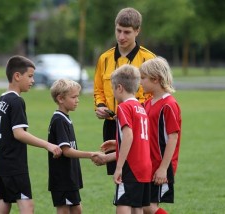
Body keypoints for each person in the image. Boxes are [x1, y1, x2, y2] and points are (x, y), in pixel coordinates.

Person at [0, 55, 62, 214]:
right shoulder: (16, 101)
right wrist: (48, 144)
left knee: (4, 201)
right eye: (30, 76)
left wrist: (3, 147)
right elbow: (19, 134)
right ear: (17, 76)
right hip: (13, 163)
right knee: (27, 205)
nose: (32, 80)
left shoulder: (0, 100)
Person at [93, 7, 156, 175]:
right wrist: (99, 106)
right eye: (118, 31)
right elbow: (98, 89)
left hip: (139, 125)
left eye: (127, 32)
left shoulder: (149, 59)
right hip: (112, 125)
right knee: (118, 176)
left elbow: (156, 94)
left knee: (138, 173)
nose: (121, 37)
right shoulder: (104, 59)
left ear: (137, 31)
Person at [92, 64, 152, 214]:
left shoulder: (124, 107)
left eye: (112, 89)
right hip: (145, 165)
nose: (113, 93)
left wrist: (119, 167)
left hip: (131, 166)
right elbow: (138, 138)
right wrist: (117, 143)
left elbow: (129, 136)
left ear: (119, 88)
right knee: (137, 206)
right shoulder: (140, 107)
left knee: (123, 204)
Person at [48, 79, 100, 214]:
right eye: (74, 97)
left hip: (69, 176)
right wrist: (90, 154)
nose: (77, 100)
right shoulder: (59, 120)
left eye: (78, 96)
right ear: (60, 99)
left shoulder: (65, 118)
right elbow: (66, 151)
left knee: (76, 209)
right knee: (64, 210)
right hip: (62, 176)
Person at [139, 57, 182, 214]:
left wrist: (163, 168)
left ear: (155, 79)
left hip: (161, 164)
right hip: (148, 163)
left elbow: (173, 137)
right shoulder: (148, 103)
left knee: (148, 207)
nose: (140, 82)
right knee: (141, 206)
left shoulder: (169, 105)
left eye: (143, 78)